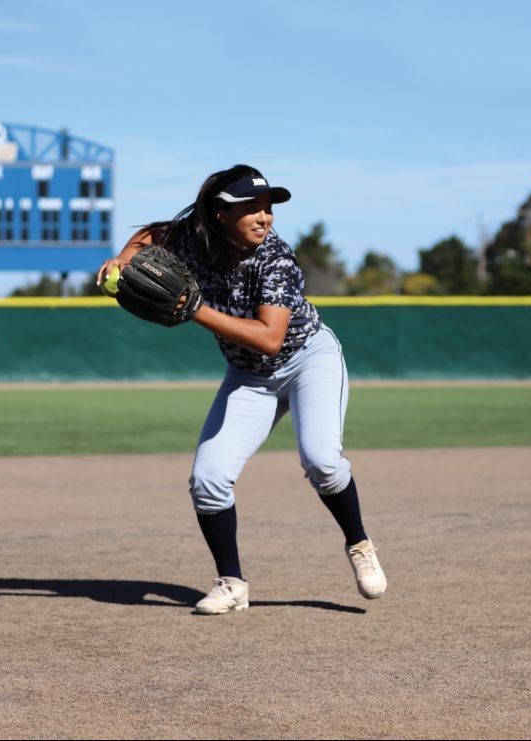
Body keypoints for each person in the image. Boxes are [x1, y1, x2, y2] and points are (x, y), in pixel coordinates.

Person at [96, 164, 386, 615]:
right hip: (249, 376)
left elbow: (269, 337)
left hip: (308, 360)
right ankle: (232, 584)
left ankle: (359, 542)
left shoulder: (276, 259)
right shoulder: (192, 236)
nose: (264, 216)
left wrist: (193, 309)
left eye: (267, 207)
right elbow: (151, 234)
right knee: (208, 479)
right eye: (250, 207)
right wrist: (121, 258)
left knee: (323, 461)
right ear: (218, 215)